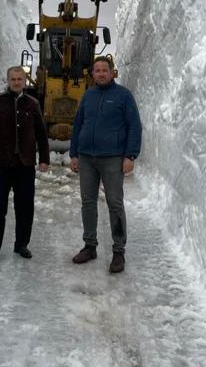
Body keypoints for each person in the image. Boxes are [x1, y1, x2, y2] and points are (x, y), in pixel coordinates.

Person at [69, 56, 141, 273]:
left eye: (104, 70)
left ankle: (119, 251)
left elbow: (134, 126)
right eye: (97, 70)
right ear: (93, 73)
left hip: (112, 158)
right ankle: (90, 246)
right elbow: (78, 124)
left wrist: (130, 155)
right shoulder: (88, 95)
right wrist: (74, 153)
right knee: (88, 202)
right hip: (87, 157)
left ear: (112, 72)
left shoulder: (123, 96)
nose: (100, 73)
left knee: (115, 203)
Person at [0, 66, 50, 262]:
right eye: (13, 79)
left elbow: (41, 134)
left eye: (20, 79)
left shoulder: (33, 103)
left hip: (25, 164)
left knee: (25, 207)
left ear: (25, 81)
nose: (17, 82)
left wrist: (44, 158)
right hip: (1, 163)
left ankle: (22, 244)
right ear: (8, 80)